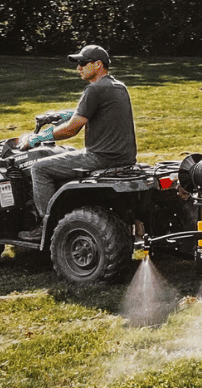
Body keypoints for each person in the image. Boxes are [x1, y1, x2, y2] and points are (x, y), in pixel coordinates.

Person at [18, 44, 137, 241]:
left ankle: (48, 226)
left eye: (82, 63)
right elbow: (92, 113)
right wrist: (60, 115)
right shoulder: (118, 87)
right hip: (123, 156)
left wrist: (38, 138)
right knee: (56, 154)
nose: (78, 68)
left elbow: (72, 129)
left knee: (39, 168)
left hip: (100, 158)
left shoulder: (94, 89)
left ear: (98, 64)